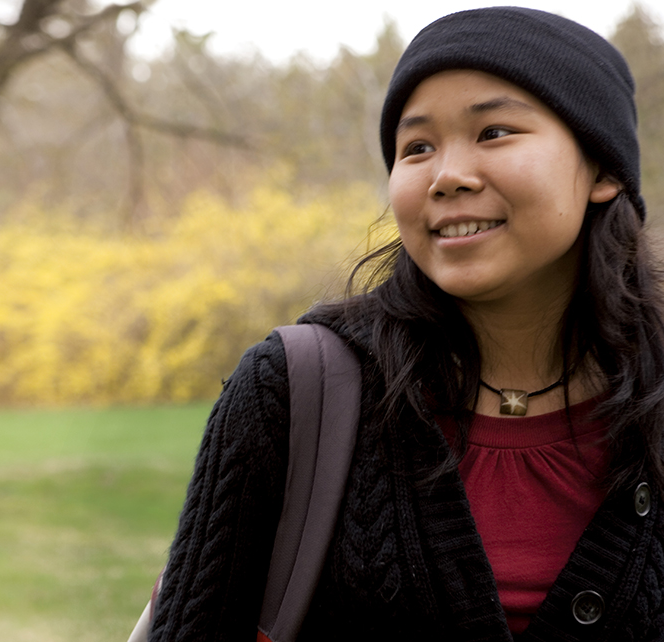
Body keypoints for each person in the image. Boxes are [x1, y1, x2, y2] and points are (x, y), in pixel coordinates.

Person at [147, 7, 664, 641]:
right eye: (416, 147)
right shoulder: (293, 393)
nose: (447, 177)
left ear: (605, 169)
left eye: (494, 131)